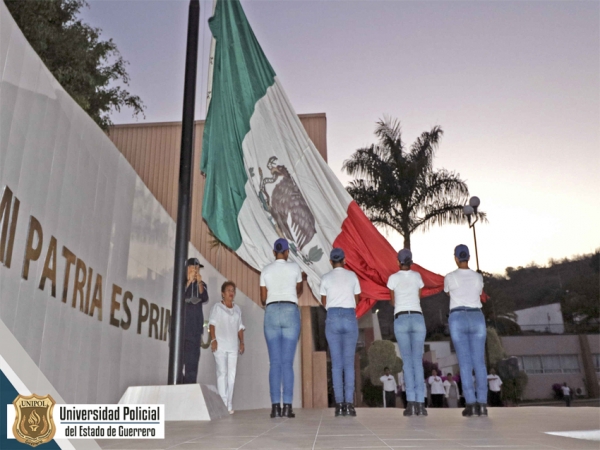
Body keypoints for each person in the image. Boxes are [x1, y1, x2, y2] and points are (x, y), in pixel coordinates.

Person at [260, 238, 303, 419]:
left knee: (274, 362)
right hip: (290, 311)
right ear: (287, 252)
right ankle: (288, 407)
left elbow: (263, 297)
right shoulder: (295, 268)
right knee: (287, 363)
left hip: (271, 312)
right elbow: (298, 289)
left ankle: (275, 407)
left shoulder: (266, 270)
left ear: (273, 252)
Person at [445, 244, 488, 417]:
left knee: (464, 362)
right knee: (479, 362)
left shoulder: (450, 277)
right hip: (477, 316)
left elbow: (448, 293)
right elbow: (478, 293)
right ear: (468, 257)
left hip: (458, 317)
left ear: (455, 258)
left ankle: (470, 403)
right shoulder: (478, 277)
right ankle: (483, 403)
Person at [320, 248, 361, 417]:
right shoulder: (352, 276)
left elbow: (324, 302)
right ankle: (350, 405)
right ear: (344, 260)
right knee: (348, 363)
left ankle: (339, 405)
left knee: (336, 364)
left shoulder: (325, 278)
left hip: (333, 317)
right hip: (349, 316)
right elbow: (357, 299)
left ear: (330, 261)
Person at [388, 248, 427, 417]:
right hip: (418, 318)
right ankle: (421, 404)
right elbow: (418, 296)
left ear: (398, 262)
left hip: (401, 318)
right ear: (411, 261)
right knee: (417, 362)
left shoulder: (393, 278)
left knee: (407, 362)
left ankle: (410, 403)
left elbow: (392, 301)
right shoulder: (417, 277)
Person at [208, 281, 245, 414]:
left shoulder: (237, 309)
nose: (231, 292)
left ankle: (229, 404)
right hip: (220, 345)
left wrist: (242, 342)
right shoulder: (217, 307)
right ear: (223, 293)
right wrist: (213, 339)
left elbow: (240, 328)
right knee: (222, 373)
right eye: (228, 290)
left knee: (232, 375)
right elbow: (212, 324)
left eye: (233, 290)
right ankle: (223, 403)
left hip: (233, 346)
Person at [182, 258, 209, 384]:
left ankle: (189, 387)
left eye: (198, 269)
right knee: (178, 361)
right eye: (194, 268)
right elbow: (180, 296)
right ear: (188, 268)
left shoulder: (201, 284)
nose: (196, 271)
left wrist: (198, 282)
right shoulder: (181, 282)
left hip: (195, 330)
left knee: (192, 363)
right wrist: (188, 281)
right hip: (181, 328)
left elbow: (204, 297)